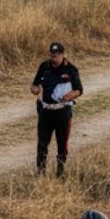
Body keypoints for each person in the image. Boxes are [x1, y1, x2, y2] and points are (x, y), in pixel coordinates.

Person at [30, 41, 84, 177]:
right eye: (52, 56)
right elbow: (35, 85)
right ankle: (41, 174)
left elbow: (79, 90)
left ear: (62, 55)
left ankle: (60, 174)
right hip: (46, 111)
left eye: (56, 56)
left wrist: (71, 95)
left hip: (62, 112)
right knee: (42, 144)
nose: (54, 59)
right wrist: (35, 89)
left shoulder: (71, 69)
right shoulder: (44, 66)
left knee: (62, 144)